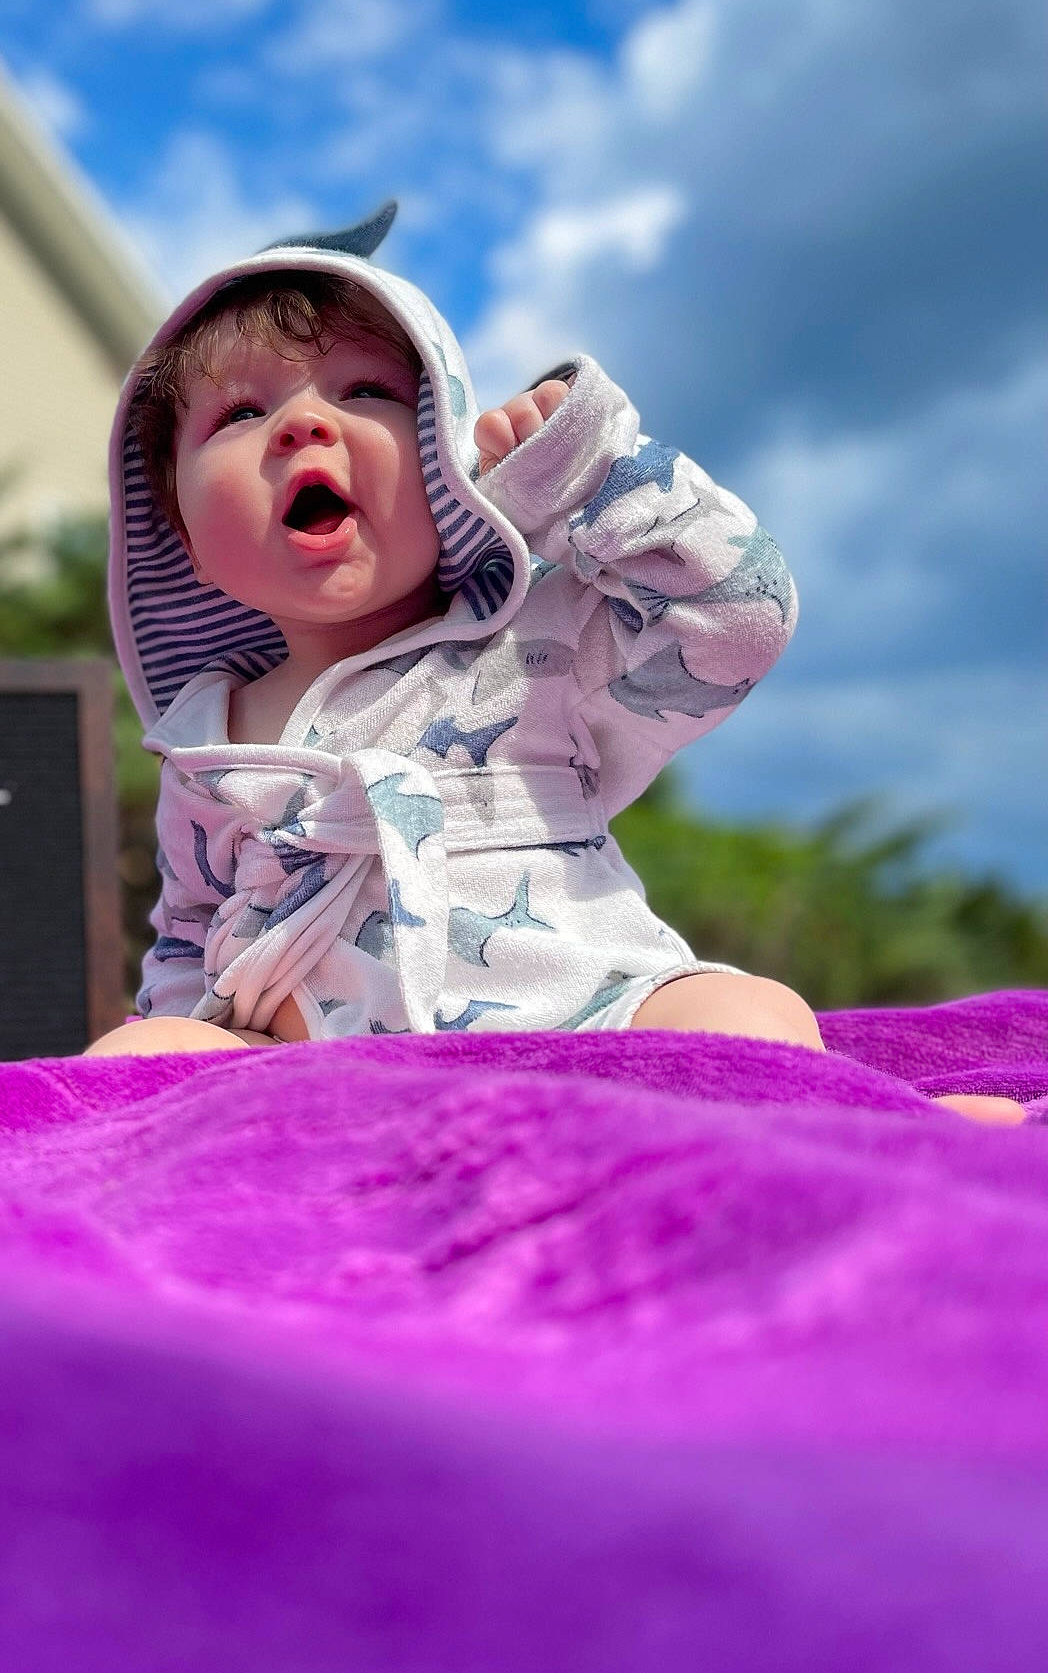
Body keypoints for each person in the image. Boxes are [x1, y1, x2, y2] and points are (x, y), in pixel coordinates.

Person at [85, 205, 1022, 1125]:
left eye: (364, 392)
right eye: (242, 413)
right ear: (185, 540)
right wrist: (179, 1025)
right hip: (320, 1066)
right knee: (136, 1058)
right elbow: (188, 938)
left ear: (445, 458)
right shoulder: (203, 741)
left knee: (746, 1014)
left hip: (593, 1021)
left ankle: (881, 1129)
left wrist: (588, 473)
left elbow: (740, 618)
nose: (303, 425)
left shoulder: (536, 640)